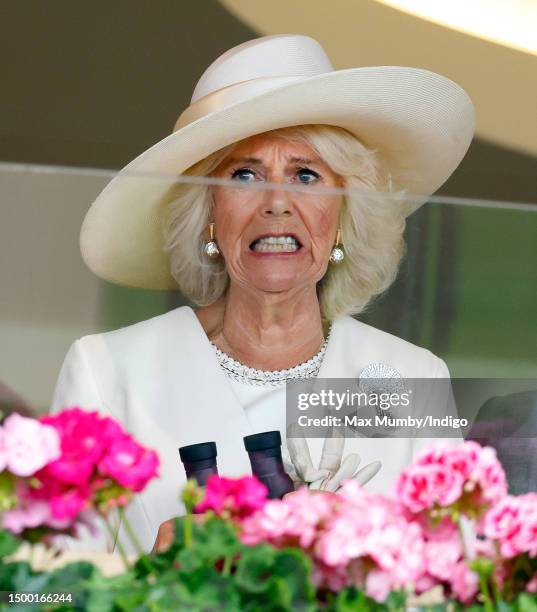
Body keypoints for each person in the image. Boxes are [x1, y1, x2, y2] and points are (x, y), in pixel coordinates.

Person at [50, 34, 474, 553]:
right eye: (244, 174)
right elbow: (35, 594)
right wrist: (152, 581)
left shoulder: (410, 375)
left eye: (306, 175)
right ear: (209, 214)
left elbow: (460, 586)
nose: (277, 202)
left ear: (342, 217)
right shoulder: (108, 370)